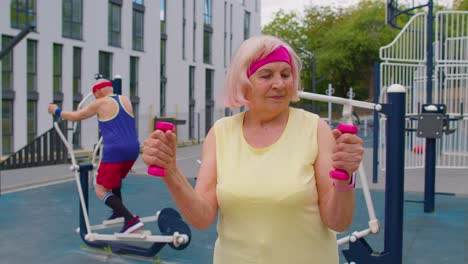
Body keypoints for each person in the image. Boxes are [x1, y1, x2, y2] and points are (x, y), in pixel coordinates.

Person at [142, 35, 364, 263]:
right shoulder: (221, 133)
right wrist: (170, 171)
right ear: (243, 85)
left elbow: (338, 221)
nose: (279, 83)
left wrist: (345, 177)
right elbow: (201, 217)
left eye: (286, 74)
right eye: (267, 75)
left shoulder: (315, 128)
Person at [48, 79, 143, 234]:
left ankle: (130, 220)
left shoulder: (100, 103)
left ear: (98, 92)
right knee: (115, 180)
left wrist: (56, 110)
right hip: (133, 149)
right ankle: (119, 212)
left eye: (95, 95)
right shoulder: (125, 100)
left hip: (115, 151)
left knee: (100, 189)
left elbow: (76, 116)